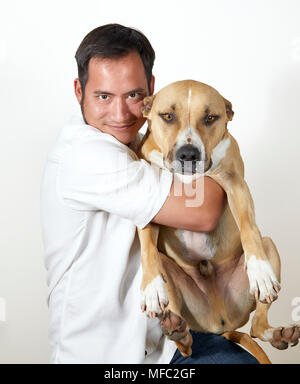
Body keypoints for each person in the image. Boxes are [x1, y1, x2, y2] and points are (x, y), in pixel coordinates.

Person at [40, 23, 258, 364]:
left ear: (151, 93)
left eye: (132, 95)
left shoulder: (140, 145)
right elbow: (203, 210)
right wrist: (217, 150)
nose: (121, 113)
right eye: (103, 96)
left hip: (167, 339)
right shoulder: (85, 154)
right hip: (106, 355)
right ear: (78, 91)